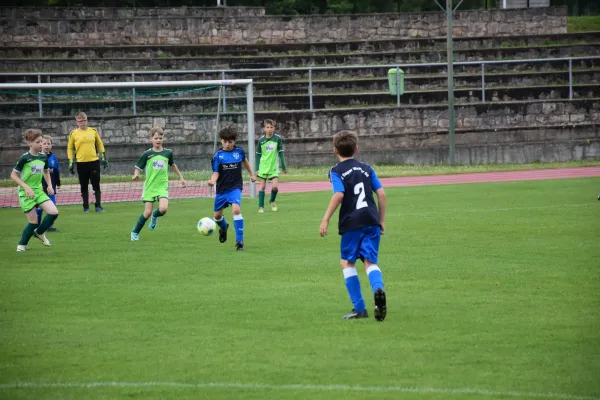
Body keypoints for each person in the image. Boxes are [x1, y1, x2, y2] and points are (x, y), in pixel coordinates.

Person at [319, 131, 387, 321]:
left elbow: (339, 194)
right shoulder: (367, 168)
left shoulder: (336, 171)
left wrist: (326, 219)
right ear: (356, 149)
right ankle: (378, 288)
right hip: (371, 220)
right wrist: (381, 221)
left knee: (347, 263)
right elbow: (381, 194)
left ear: (335, 151)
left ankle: (360, 309)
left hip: (352, 223)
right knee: (370, 263)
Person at [130, 127, 187, 241]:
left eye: (160, 138)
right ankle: (135, 232)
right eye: (156, 138)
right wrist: (136, 174)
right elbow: (138, 167)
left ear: (163, 139)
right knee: (147, 212)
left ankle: (155, 216)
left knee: (164, 209)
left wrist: (181, 178)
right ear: (151, 139)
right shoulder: (147, 154)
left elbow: (173, 165)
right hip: (150, 186)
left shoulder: (168, 153)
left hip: (162, 185)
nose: (158, 140)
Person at [208, 126, 256, 251]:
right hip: (222, 189)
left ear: (234, 141)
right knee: (217, 216)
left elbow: (245, 162)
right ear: (221, 141)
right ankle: (223, 227)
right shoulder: (218, 156)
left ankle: (239, 241)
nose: (227, 144)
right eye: (225, 141)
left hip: (235, 187)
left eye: (230, 142)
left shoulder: (239, 152)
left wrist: (251, 174)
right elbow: (216, 172)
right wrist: (213, 181)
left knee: (236, 210)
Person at [11, 129, 59, 252]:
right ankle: (21, 245)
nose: (41, 144)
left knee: (54, 212)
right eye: (38, 142)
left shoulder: (43, 157)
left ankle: (39, 232)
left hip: (38, 191)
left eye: (41, 142)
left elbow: (46, 171)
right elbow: (13, 175)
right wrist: (26, 187)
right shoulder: (24, 158)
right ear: (29, 143)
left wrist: (49, 185)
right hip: (25, 193)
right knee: (33, 221)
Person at [67, 112, 108, 212]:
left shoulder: (93, 131)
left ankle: (98, 206)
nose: (83, 122)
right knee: (84, 186)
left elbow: (99, 144)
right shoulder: (74, 134)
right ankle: (86, 207)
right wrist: (71, 161)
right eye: (80, 121)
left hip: (94, 162)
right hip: (81, 163)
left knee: (96, 184)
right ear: (77, 122)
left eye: (84, 120)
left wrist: (103, 156)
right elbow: (70, 148)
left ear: (87, 120)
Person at [256, 119, 287, 213]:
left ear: (274, 128)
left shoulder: (277, 139)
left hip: (273, 168)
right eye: (267, 127)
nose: (269, 129)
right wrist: (257, 168)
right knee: (262, 187)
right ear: (264, 128)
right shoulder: (261, 141)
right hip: (263, 167)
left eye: (271, 127)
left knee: (275, 187)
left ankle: (272, 200)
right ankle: (261, 207)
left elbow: (281, 153)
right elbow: (258, 155)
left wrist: (284, 167)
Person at [36, 135, 61, 232]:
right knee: (39, 208)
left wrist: (58, 182)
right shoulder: (37, 157)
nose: (46, 146)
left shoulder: (53, 157)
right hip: (40, 188)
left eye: (48, 144)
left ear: (51, 145)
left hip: (51, 187)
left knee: (52, 207)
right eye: (44, 143)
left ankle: (49, 226)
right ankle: (36, 226)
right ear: (41, 145)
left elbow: (57, 171)